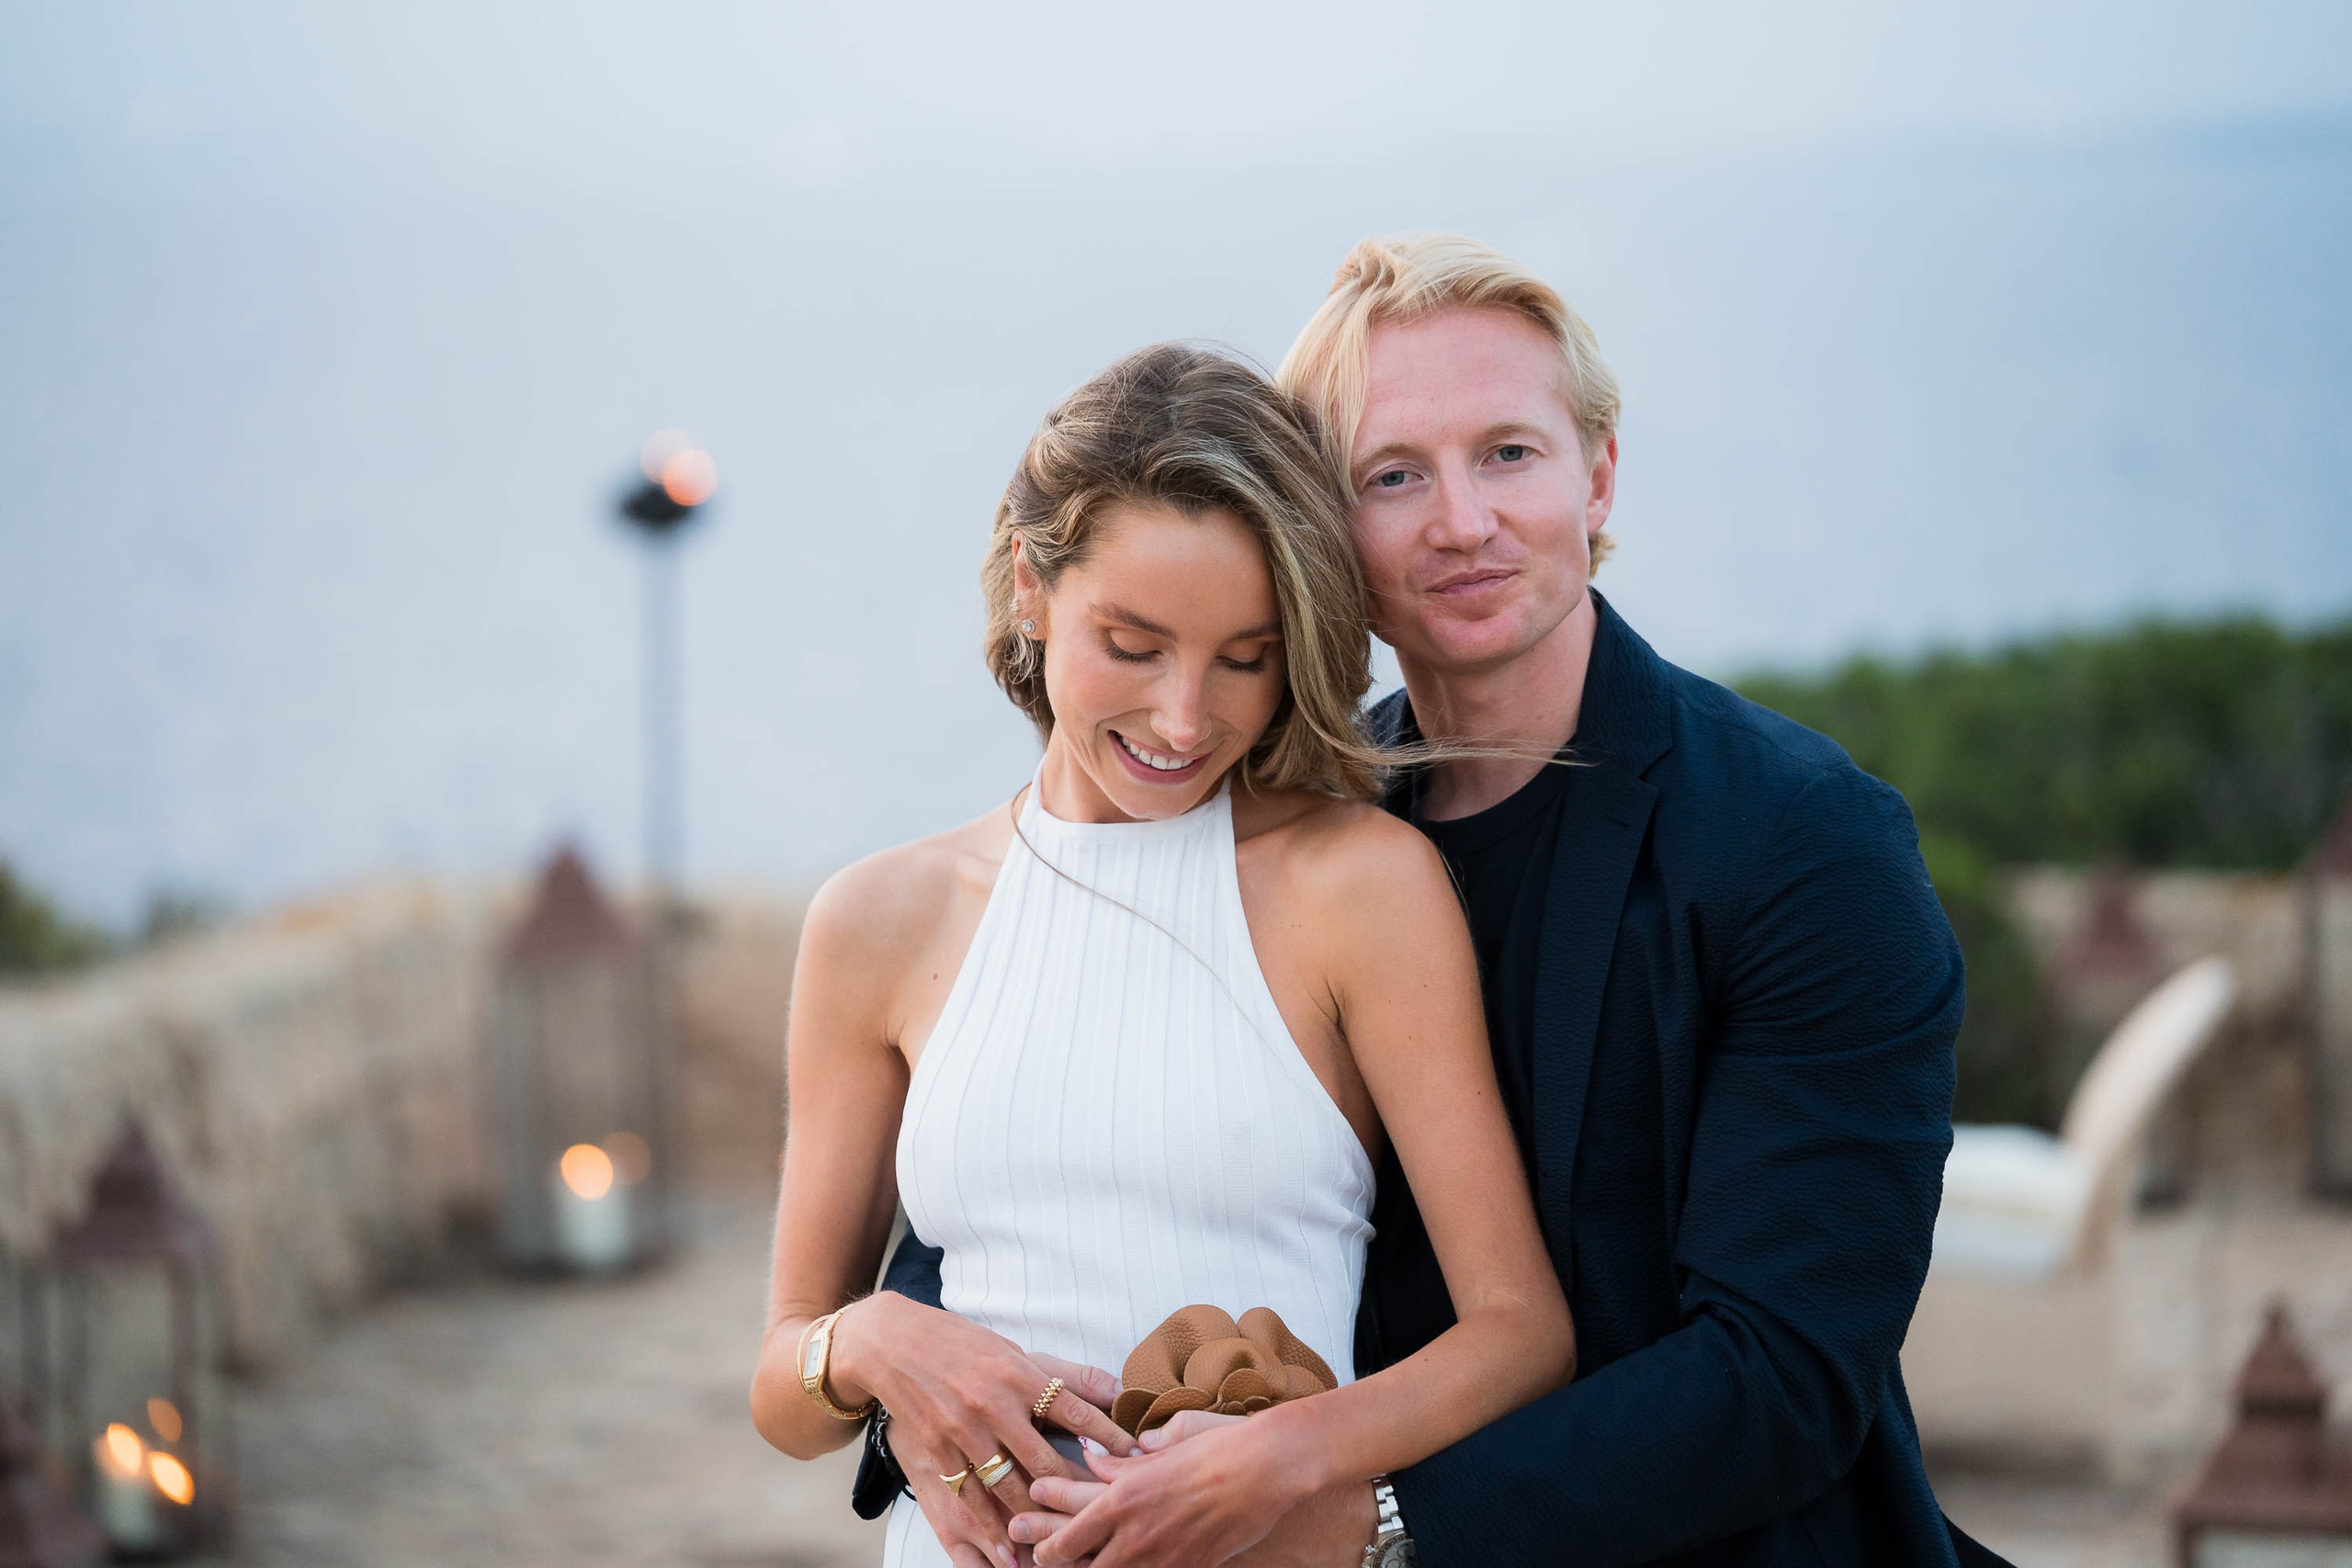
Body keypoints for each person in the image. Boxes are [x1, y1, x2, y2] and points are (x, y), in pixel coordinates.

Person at [865, 236, 2009, 1566]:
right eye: (1392, 476)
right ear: (1314, 532)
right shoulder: (1277, 830)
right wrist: (908, 1385)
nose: (1461, 522)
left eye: (1509, 454)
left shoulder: (1804, 843)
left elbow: (1784, 1375)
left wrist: (1376, 1528)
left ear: (1601, 472)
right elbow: (1048, 1144)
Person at [750, 342, 1577, 1568]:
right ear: (1031, 588)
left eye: (1245, 658)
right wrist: (871, 1342)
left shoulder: (1359, 888)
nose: (1186, 719)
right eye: (1132, 645)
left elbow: (1520, 1332)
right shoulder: (881, 920)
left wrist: (1293, 1457)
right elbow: (785, 1396)